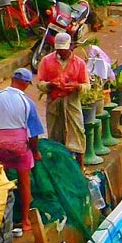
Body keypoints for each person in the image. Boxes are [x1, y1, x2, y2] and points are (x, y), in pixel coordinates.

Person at [0, 67, 44, 234]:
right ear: (25, 83)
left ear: (12, 79)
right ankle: (25, 220)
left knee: (0, 180)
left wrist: (0, 138)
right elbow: (33, 134)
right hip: (20, 146)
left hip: (0, 144)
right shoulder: (27, 102)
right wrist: (35, 152)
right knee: (24, 181)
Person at [37, 31, 89, 163]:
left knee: (77, 131)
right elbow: (40, 83)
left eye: (64, 50)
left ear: (70, 47)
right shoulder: (46, 61)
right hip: (54, 101)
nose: (62, 52)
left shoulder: (79, 63)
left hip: (72, 101)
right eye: (59, 50)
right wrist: (50, 85)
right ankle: (57, 164)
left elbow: (86, 85)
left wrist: (77, 87)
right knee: (54, 133)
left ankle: (80, 164)